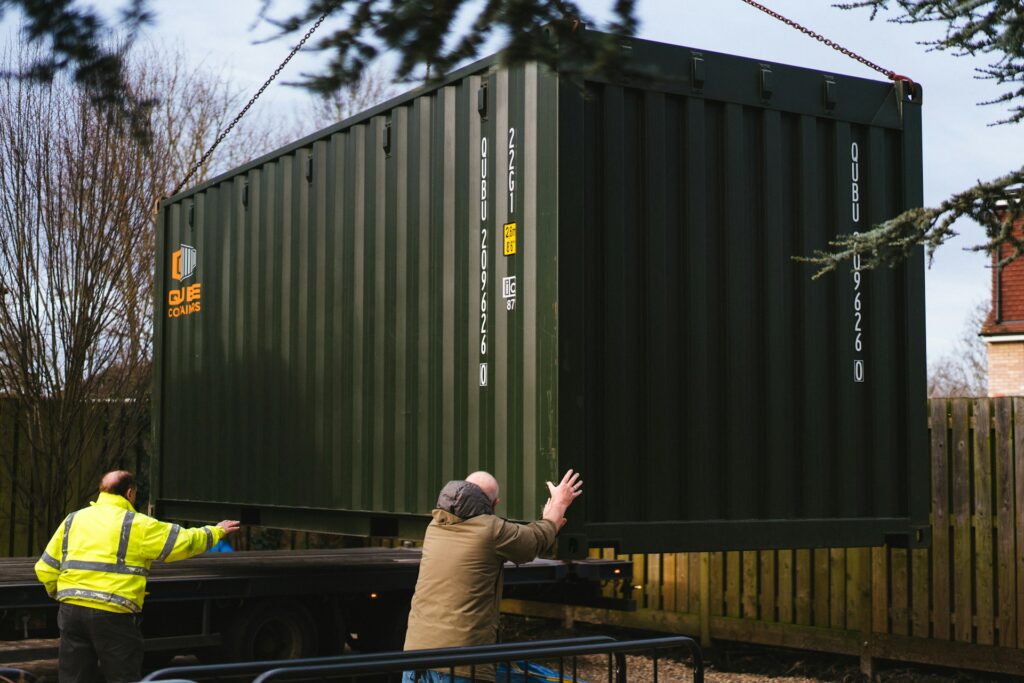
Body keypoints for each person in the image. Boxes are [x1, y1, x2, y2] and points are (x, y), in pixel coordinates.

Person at [34, 470, 240, 683]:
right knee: (123, 677)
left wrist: (62, 593)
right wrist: (217, 531)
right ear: (130, 493)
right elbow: (183, 542)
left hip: (71, 611)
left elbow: (45, 567)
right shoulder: (136, 524)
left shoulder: (73, 520)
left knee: (73, 678)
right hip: (113, 612)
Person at [402, 469, 583, 682]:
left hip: (415, 657)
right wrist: (558, 504)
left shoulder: (435, 525)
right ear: (495, 504)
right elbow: (533, 541)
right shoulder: (490, 530)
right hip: (460, 662)